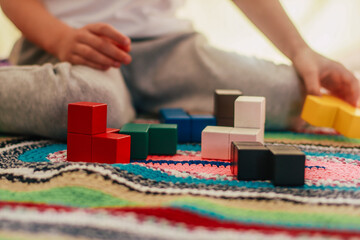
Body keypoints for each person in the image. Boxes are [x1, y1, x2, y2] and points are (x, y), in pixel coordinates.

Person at [0, 0, 358, 140]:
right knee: (89, 106)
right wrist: (60, 38)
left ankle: (142, 101)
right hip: (68, 41)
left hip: (168, 44)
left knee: (292, 95)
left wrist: (301, 50)